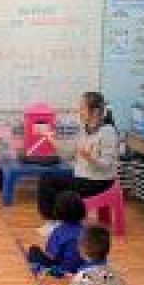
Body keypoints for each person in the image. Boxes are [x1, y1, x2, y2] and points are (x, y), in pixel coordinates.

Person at [36, 91, 119, 221]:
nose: (79, 111)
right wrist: (50, 138)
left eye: (82, 108)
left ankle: (57, 219)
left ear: (95, 111)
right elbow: (68, 153)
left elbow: (106, 165)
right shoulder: (84, 129)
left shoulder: (108, 132)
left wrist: (90, 158)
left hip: (99, 181)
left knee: (54, 185)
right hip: (83, 177)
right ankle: (55, 218)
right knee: (46, 178)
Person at [27, 190, 86, 277]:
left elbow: (51, 254)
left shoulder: (58, 231)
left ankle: (44, 270)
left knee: (33, 250)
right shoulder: (86, 230)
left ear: (58, 211)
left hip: (62, 269)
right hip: (82, 267)